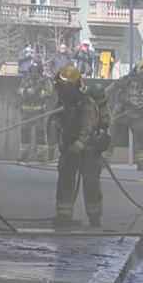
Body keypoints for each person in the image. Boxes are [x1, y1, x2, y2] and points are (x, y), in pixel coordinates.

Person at [52, 65, 106, 228]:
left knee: (90, 184)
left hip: (88, 150)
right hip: (70, 148)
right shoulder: (63, 103)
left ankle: (94, 218)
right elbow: (59, 124)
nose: (60, 88)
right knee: (65, 181)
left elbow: (87, 127)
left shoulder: (85, 102)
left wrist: (78, 145)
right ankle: (64, 215)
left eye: (63, 85)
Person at [109, 61, 143, 172]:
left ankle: (142, 163)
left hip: (136, 113)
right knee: (111, 135)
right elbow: (111, 89)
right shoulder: (127, 80)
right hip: (122, 111)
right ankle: (103, 159)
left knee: (140, 135)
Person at [17, 63, 54, 161]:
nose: (34, 73)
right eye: (32, 71)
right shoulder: (25, 80)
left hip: (39, 113)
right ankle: (24, 155)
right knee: (24, 133)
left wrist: (38, 93)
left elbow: (49, 92)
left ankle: (41, 156)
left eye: (36, 71)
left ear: (40, 71)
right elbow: (19, 90)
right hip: (26, 112)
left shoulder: (45, 81)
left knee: (40, 133)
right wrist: (26, 91)